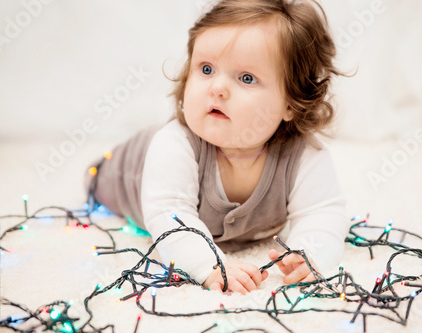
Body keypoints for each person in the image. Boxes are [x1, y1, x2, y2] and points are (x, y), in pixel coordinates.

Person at [87, 0, 348, 295]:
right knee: (100, 175)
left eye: (246, 78)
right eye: (207, 69)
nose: (217, 88)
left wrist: (310, 252)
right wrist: (209, 265)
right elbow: (169, 214)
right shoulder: (175, 144)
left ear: (291, 102)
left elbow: (324, 212)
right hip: (122, 173)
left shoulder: (303, 155)